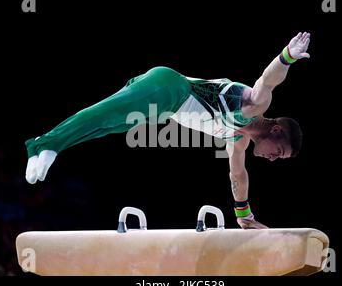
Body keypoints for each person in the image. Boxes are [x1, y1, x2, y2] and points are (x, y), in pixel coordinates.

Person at [25, 32, 310, 229]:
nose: (273, 159)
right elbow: (267, 81)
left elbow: (237, 175)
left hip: (164, 109)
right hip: (170, 88)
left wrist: (244, 214)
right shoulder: (253, 106)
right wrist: (287, 57)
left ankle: (51, 145)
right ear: (275, 130)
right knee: (105, 113)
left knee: (107, 126)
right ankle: (42, 144)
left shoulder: (237, 140)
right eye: (279, 153)